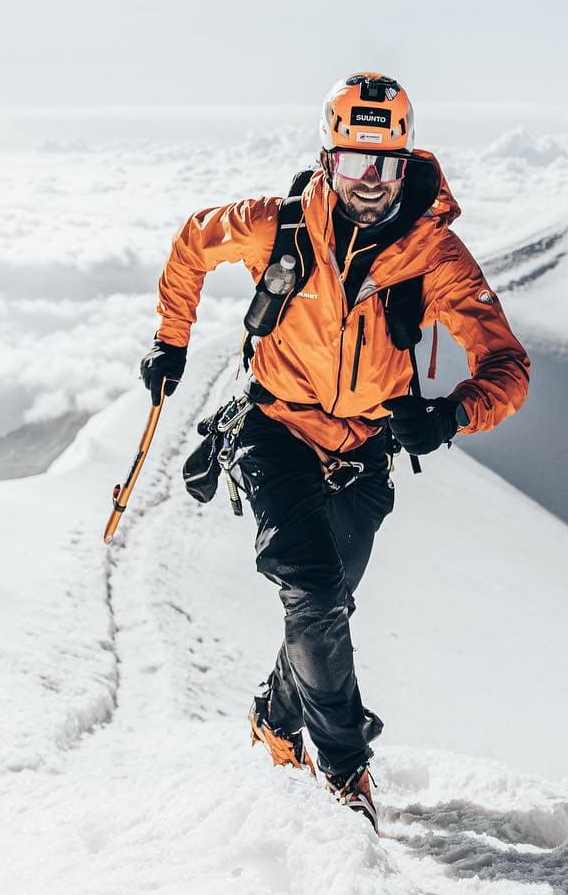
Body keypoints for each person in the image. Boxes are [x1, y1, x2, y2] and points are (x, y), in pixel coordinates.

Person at [139, 72, 530, 829]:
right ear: (327, 156)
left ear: (407, 160)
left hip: (363, 450)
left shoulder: (435, 257)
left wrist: (452, 417)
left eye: (385, 165)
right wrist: (170, 339)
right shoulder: (277, 227)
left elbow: (508, 367)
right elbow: (194, 240)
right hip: (275, 427)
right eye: (354, 162)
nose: (371, 184)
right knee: (314, 593)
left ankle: (275, 718)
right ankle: (347, 774)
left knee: (325, 609)